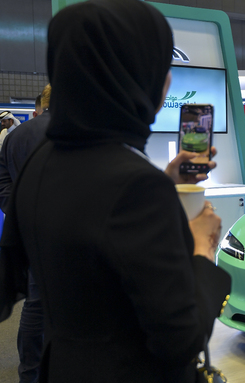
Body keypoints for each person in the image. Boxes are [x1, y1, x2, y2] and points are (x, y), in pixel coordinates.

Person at [0, 1, 230, 382]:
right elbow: (180, 339)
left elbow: (17, 275)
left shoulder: (42, 162)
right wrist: (201, 251)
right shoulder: (136, 185)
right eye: (160, 67)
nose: (168, 80)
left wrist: (164, 182)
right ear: (137, 78)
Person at [0, 83, 51, 383]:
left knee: (35, 301)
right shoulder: (73, 132)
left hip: (31, 231)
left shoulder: (15, 137)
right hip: (70, 234)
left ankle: (30, 371)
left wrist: (20, 212)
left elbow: (3, 181)